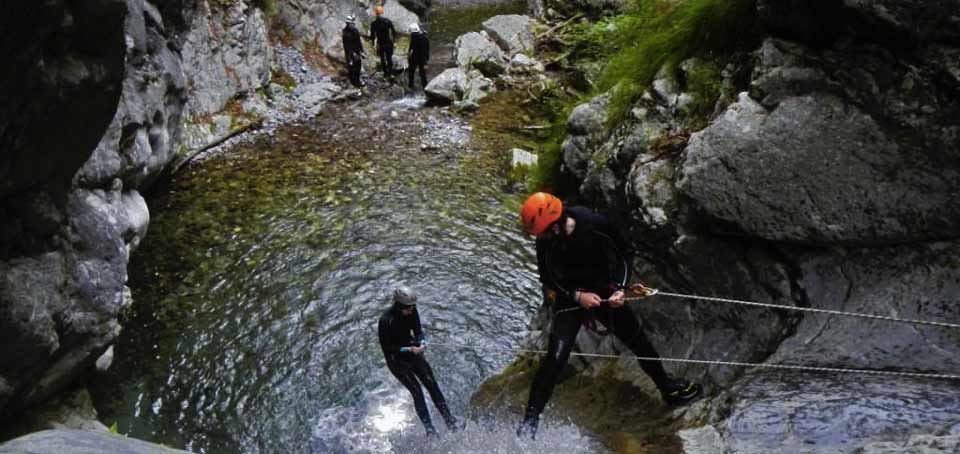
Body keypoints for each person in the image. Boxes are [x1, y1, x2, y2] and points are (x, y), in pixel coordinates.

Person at [515, 192, 701, 439]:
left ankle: (667, 388)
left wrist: (619, 289)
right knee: (555, 357)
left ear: (557, 224)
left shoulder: (593, 223)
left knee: (638, 341)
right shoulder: (545, 240)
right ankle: (530, 422)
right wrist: (576, 296)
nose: (541, 239)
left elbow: (626, 251)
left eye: (544, 233)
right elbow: (548, 278)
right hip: (570, 297)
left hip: (604, 289)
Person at [378, 286, 460, 437]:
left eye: (412, 307)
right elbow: (387, 348)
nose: (411, 311)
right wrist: (407, 349)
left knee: (432, 384)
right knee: (417, 391)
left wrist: (421, 341)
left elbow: (418, 330)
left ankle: (450, 421)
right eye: (408, 308)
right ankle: (430, 430)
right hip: (396, 361)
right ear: (398, 306)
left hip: (412, 352)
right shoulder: (385, 320)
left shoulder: (412, 311)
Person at [368, 5, 396, 78]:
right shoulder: (387, 21)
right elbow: (393, 32)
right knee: (389, 58)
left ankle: (385, 73)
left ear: (376, 13)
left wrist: (373, 44)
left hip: (380, 43)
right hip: (388, 42)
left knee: (382, 58)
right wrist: (394, 41)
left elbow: (372, 35)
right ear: (382, 12)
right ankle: (390, 73)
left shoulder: (374, 23)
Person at [342, 15, 365, 88]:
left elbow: (358, 42)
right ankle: (354, 82)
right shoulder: (346, 33)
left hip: (356, 51)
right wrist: (351, 55)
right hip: (350, 52)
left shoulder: (355, 31)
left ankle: (357, 80)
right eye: (350, 24)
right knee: (351, 67)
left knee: (358, 66)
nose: (352, 25)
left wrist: (362, 51)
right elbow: (347, 46)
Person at [406, 23, 429, 90]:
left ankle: (425, 88)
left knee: (421, 74)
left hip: (420, 58)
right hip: (415, 57)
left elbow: (424, 51)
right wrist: (409, 53)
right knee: (412, 72)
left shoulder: (422, 38)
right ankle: (411, 86)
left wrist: (425, 63)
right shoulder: (416, 36)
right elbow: (412, 46)